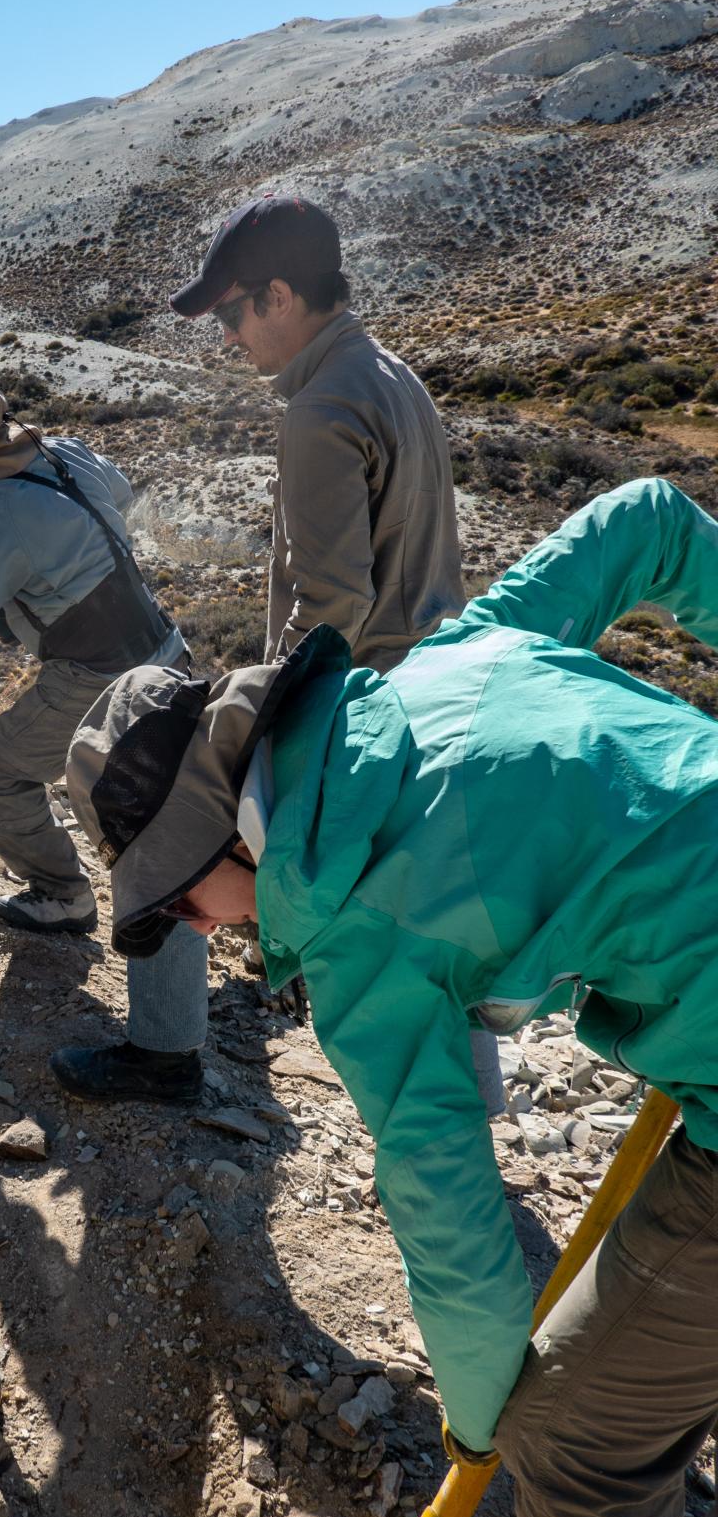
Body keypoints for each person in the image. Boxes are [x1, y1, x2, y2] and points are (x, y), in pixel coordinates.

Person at [63, 476, 718, 1517]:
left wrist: (491, 1423)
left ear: (232, 840)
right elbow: (649, 522)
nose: (195, 929)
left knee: (583, 1443)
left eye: (177, 900)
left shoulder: (355, 929)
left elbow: (450, 1218)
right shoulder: (465, 658)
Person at [51, 194, 466, 1104]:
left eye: (233, 314)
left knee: (150, 811)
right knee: (425, 940)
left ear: (279, 295)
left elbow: (330, 608)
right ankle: (460, 1125)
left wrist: (243, 738)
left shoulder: (323, 408)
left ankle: (164, 1053)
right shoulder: (391, 374)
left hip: (350, 712)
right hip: (429, 699)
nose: (229, 339)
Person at [0, 372, 183, 933]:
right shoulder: (64, 452)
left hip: (97, 674)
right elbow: (116, 494)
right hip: (163, 646)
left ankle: (63, 895)